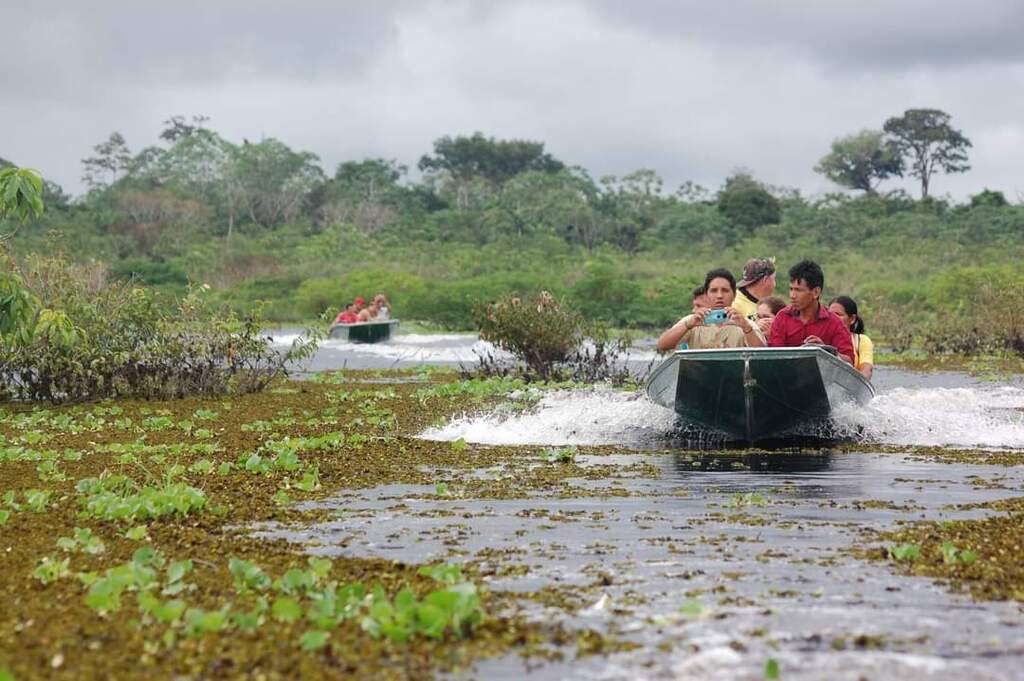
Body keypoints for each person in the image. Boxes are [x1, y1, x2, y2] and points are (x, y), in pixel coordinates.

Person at [657, 268, 765, 352]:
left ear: (734, 295)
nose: (719, 296)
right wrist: (687, 325)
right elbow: (662, 346)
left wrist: (747, 328)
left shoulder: (745, 323)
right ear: (706, 295)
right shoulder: (693, 321)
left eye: (725, 290)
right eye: (714, 291)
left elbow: (762, 355)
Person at [768, 260, 854, 364]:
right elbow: (774, 357)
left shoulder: (834, 323)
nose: (792, 296)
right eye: (791, 289)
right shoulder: (782, 317)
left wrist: (825, 352)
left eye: (798, 290)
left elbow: (849, 361)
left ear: (816, 292)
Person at [829, 296, 874, 380]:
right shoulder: (822, 337)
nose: (834, 318)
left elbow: (867, 369)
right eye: (831, 315)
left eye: (838, 314)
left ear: (852, 319)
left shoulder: (862, 341)